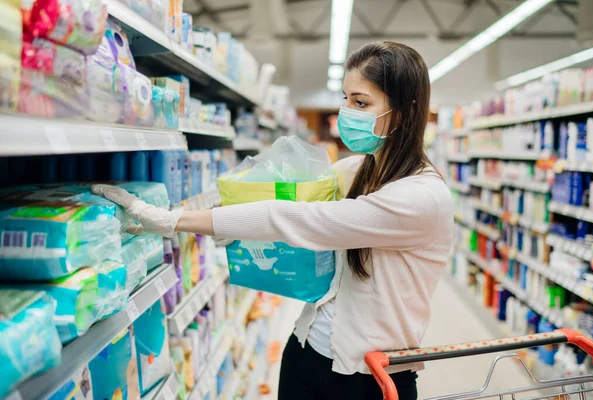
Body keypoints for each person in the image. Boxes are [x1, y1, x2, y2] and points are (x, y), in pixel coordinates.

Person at [93, 41, 453, 400]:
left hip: (369, 377)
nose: (346, 112)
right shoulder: (361, 169)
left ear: (405, 111)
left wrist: (174, 220)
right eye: (345, 99)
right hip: (306, 351)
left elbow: (297, 218)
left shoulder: (421, 199)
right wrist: (222, 208)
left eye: (361, 102)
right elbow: (278, 194)